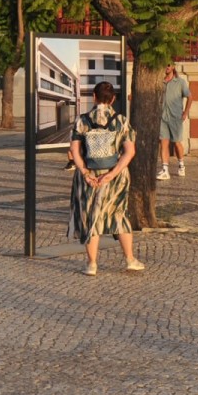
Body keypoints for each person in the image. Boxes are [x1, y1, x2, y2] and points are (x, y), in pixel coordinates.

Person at [68, 81, 144, 276]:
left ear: (93, 96)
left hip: (89, 176)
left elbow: (74, 151)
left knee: (90, 216)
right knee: (118, 214)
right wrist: (112, 173)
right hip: (114, 176)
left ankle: (92, 264)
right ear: (113, 99)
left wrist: (85, 173)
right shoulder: (121, 121)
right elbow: (129, 151)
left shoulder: (82, 121)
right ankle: (129, 259)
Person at [157, 64, 192, 180]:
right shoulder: (160, 82)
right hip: (163, 117)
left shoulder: (180, 82)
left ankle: (181, 165)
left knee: (177, 142)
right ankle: (165, 170)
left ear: (173, 67)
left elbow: (190, 97)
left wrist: (185, 113)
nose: (166, 67)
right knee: (164, 143)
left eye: (168, 65)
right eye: (165, 65)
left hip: (175, 117)